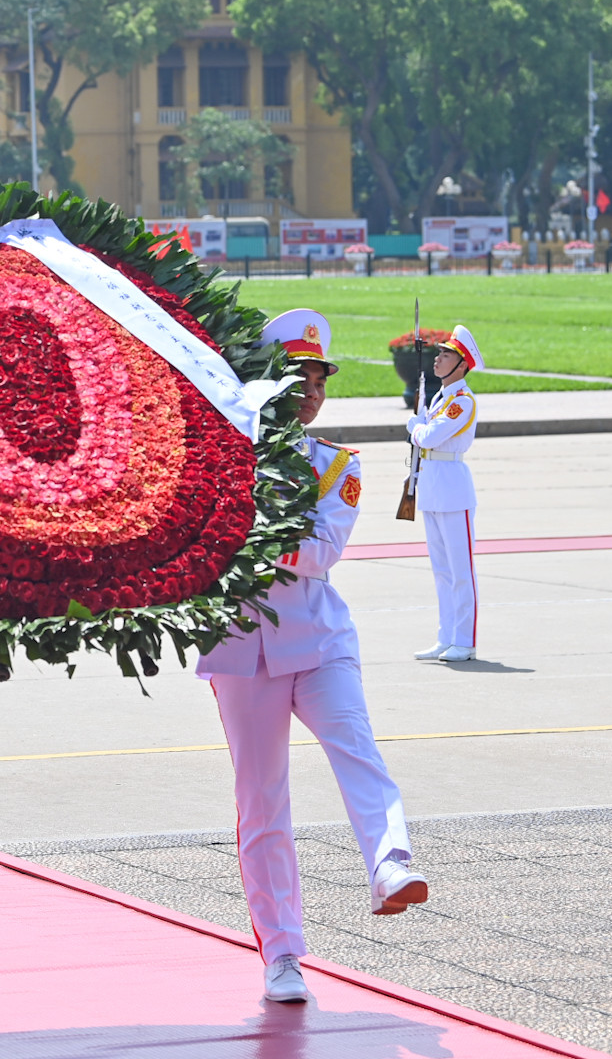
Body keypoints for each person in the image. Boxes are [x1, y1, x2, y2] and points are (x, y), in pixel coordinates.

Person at [198, 310, 427, 1005]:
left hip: (319, 643)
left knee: (356, 748)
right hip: (240, 651)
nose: (311, 390)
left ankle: (391, 863)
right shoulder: (216, 459)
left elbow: (321, 554)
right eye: (297, 376)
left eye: (319, 377)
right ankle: (282, 953)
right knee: (261, 803)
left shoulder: (337, 465)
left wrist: (245, 531)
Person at [408, 325, 482, 663]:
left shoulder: (462, 402)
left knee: (460, 570)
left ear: (462, 364)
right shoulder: (441, 397)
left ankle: (464, 641)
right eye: (438, 354)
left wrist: (416, 428)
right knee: (441, 569)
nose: (438, 359)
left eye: (445, 355)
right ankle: (446, 637)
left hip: (452, 487)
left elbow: (430, 437)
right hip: (433, 486)